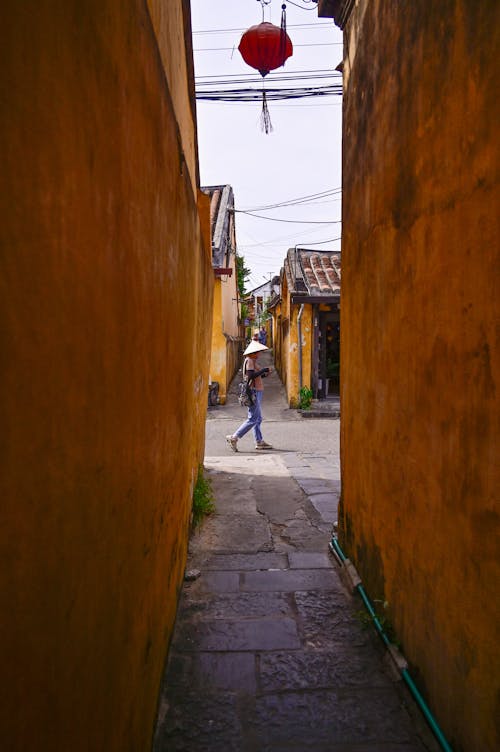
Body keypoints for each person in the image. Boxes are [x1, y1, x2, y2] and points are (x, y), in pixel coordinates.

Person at [226, 340, 273, 451]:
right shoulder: (250, 361)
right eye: (258, 352)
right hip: (254, 392)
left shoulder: (252, 360)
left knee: (258, 418)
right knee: (253, 419)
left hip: (256, 391)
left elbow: (256, 377)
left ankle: (259, 441)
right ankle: (234, 437)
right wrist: (263, 370)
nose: (259, 354)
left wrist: (264, 373)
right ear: (253, 352)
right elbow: (251, 376)